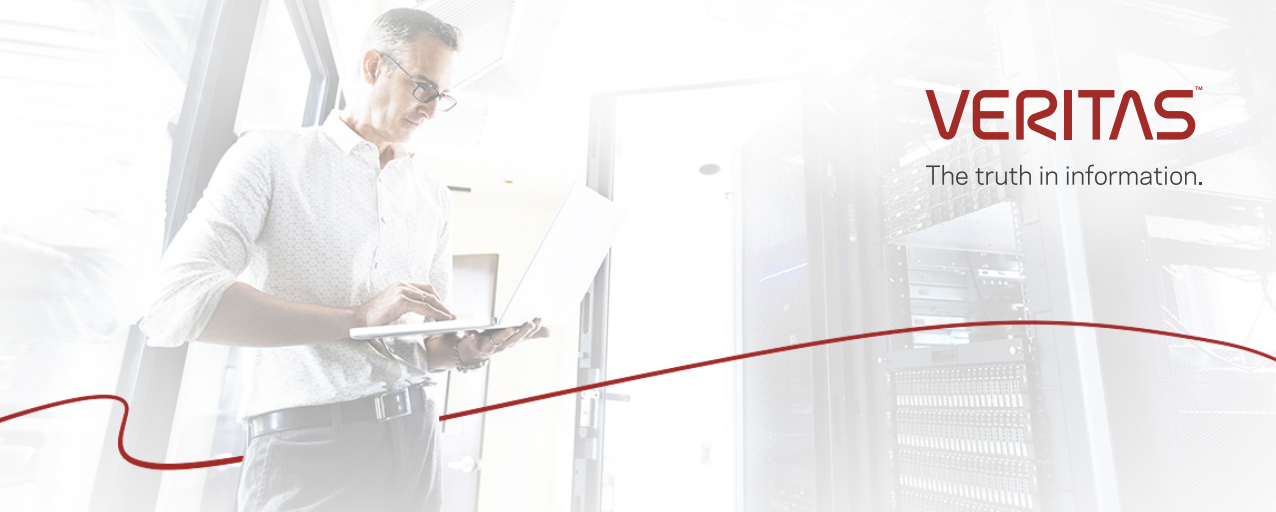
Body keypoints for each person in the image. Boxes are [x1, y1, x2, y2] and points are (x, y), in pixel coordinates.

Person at [140, 8, 546, 512]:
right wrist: (355, 321)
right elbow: (176, 301)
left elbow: (424, 346)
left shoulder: (433, 199)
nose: (432, 110)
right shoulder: (270, 157)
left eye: (442, 95)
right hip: (310, 449)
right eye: (423, 87)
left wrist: (468, 350)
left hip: (415, 437)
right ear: (373, 66)